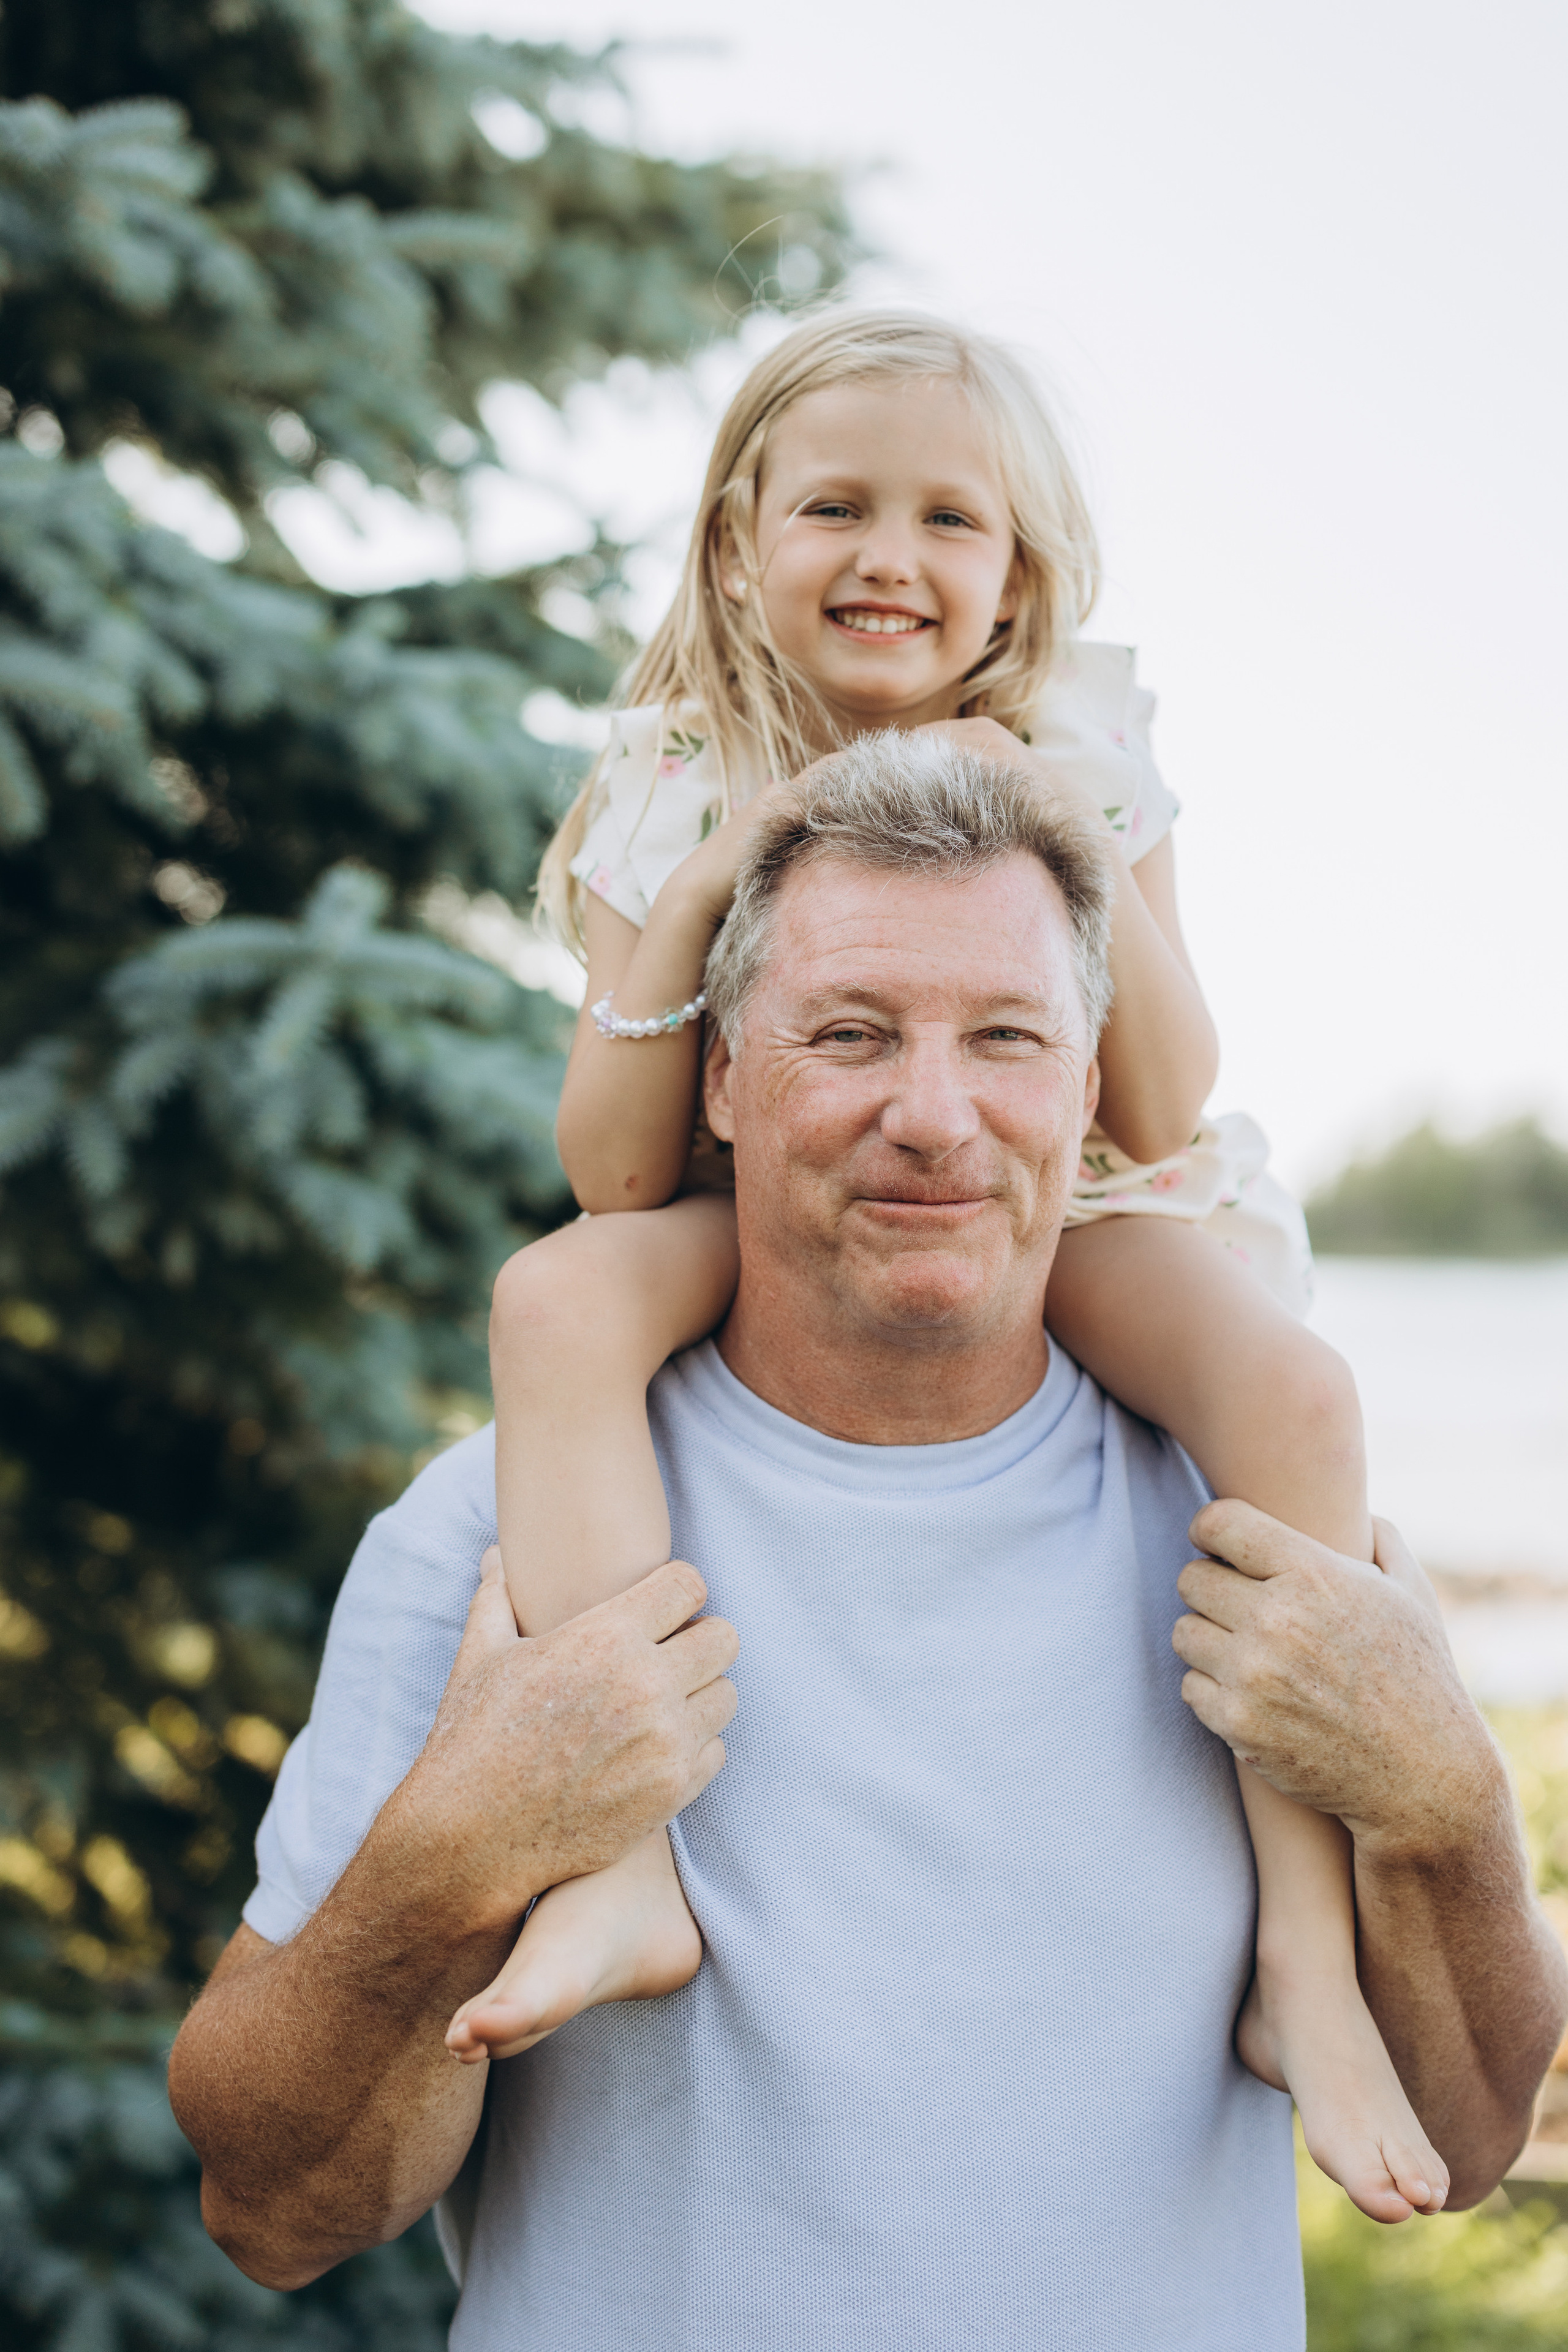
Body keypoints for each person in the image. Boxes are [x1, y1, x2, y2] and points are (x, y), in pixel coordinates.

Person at [169, 739, 1567, 2351]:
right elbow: (271, 2212)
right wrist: (457, 1847)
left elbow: (1460, 2138)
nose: (932, 1114)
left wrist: (1448, 1793)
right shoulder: (496, 1538)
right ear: (718, 1078)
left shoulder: (1261, 1536)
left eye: (1006, 1039)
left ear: (1088, 1088)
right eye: (848, 1036)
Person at [454, 308, 1423, 2218]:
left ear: (1017, 576)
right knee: (553, 1303)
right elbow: (613, 1166)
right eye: (835, 506)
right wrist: (724, 872)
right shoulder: (684, 764)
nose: (889, 557)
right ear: (743, 539)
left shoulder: (1086, 738)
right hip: (777, 1196)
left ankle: (1303, 1954)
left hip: (1081, 1197)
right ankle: (620, 1865)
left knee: (1298, 1392)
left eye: (946, 521)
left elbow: (1158, 1099)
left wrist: (1062, 811)